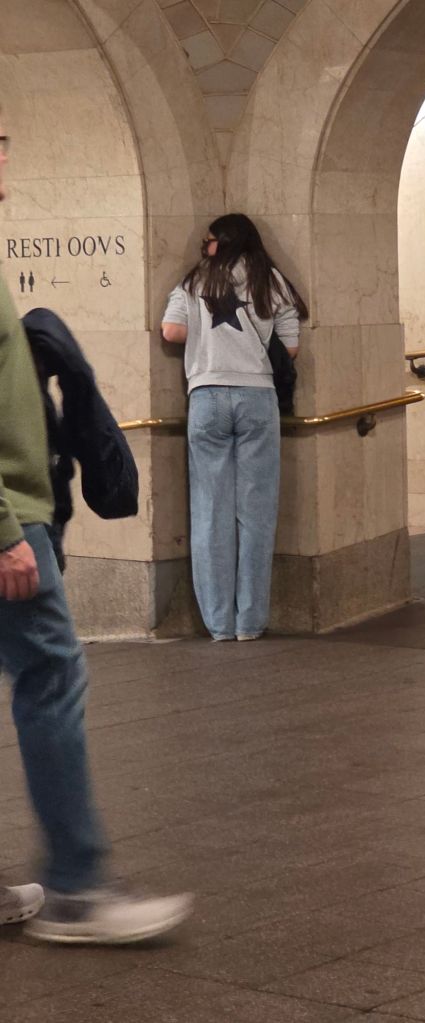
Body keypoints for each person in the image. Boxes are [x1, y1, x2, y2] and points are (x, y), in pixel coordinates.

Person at [0, 127, 191, 943]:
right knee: (51, 675)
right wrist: (5, 530)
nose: (6, 158)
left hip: (20, 508)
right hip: (11, 516)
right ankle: (79, 888)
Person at [162, 213, 307, 642]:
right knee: (256, 513)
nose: (204, 247)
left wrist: (208, 340)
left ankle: (219, 624)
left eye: (208, 241)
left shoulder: (195, 281)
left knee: (210, 513)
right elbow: (291, 347)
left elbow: (171, 331)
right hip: (257, 397)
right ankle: (250, 622)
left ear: (223, 243)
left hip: (206, 396)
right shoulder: (270, 280)